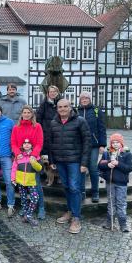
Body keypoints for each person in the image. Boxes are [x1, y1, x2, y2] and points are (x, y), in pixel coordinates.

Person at [49, 99, 91, 234]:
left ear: (70, 107)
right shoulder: (53, 122)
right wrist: (51, 160)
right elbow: (51, 143)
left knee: (74, 188)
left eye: (65, 106)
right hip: (60, 161)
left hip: (75, 161)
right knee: (66, 187)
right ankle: (70, 211)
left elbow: (87, 142)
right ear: (57, 108)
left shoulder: (80, 121)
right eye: (60, 107)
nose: (62, 109)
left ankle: (76, 217)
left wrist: (84, 163)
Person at [11, 105, 45, 219]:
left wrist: (34, 155)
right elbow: (13, 143)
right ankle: (24, 207)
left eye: (28, 112)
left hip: (33, 160)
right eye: (24, 112)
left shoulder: (37, 126)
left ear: (32, 114)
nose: (26, 114)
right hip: (21, 160)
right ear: (21, 114)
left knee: (37, 185)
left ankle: (41, 208)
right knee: (22, 186)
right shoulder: (16, 127)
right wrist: (17, 153)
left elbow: (40, 143)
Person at [98, 133, 132, 232]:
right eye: (113, 142)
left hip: (121, 183)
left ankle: (123, 224)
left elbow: (129, 168)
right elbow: (100, 165)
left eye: (117, 142)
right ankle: (110, 222)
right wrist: (108, 164)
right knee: (111, 203)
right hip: (110, 182)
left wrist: (118, 163)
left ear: (121, 143)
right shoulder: (107, 153)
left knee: (121, 203)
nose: (115, 144)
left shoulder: (126, 154)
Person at [78, 91, 107, 203]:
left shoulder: (96, 111)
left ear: (90, 99)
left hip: (94, 145)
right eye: (82, 98)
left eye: (86, 98)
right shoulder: (76, 111)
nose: (84, 100)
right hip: (80, 145)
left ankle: (95, 192)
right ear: (80, 100)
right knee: (81, 169)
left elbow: (102, 128)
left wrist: (102, 144)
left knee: (93, 168)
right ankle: (82, 192)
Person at [11, 139, 42, 226]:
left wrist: (34, 162)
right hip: (20, 181)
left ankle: (28, 215)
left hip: (31, 181)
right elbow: (14, 167)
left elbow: (39, 169)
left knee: (35, 197)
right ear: (22, 145)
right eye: (25, 143)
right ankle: (26, 215)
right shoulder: (19, 156)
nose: (27, 145)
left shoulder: (36, 156)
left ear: (32, 145)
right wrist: (13, 178)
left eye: (29, 143)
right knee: (23, 199)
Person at [36, 85, 61, 157]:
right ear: (48, 93)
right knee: (46, 152)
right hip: (46, 130)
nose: (52, 93)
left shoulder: (61, 102)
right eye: (51, 92)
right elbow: (39, 118)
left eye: (54, 91)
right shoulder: (44, 104)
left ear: (57, 93)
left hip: (58, 130)